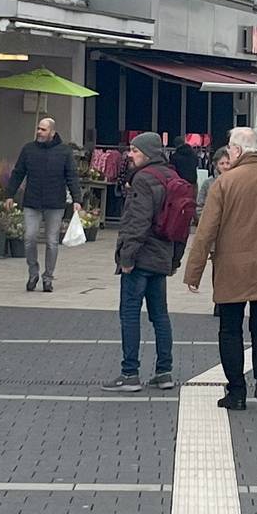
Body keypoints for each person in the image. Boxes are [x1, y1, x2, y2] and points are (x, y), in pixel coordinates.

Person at [183, 126, 257, 412]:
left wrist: (194, 271)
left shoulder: (225, 182)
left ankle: (236, 391)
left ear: (236, 150)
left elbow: (206, 230)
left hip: (231, 268)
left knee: (230, 329)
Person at [105, 133, 183, 393]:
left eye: (135, 151)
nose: (130, 155)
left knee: (129, 313)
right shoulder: (173, 177)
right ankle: (164, 372)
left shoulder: (143, 180)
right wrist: (175, 259)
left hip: (140, 258)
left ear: (147, 153)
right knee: (160, 315)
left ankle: (130, 373)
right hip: (162, 256)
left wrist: (127, 258)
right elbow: (181, 226)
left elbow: (137, 222)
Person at [3, 116, 77, 293]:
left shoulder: (64, 152)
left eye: (43, 129)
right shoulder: (29, 149)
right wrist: (9, 195)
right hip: (32, 201)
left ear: (52, 132)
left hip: (55, 203)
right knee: (29, 238)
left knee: (52, 242)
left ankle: (48, 277)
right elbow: (18, 172)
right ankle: (33, 273)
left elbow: (72, 176)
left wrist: (77, 199)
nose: (39, 132)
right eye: (38, 128)